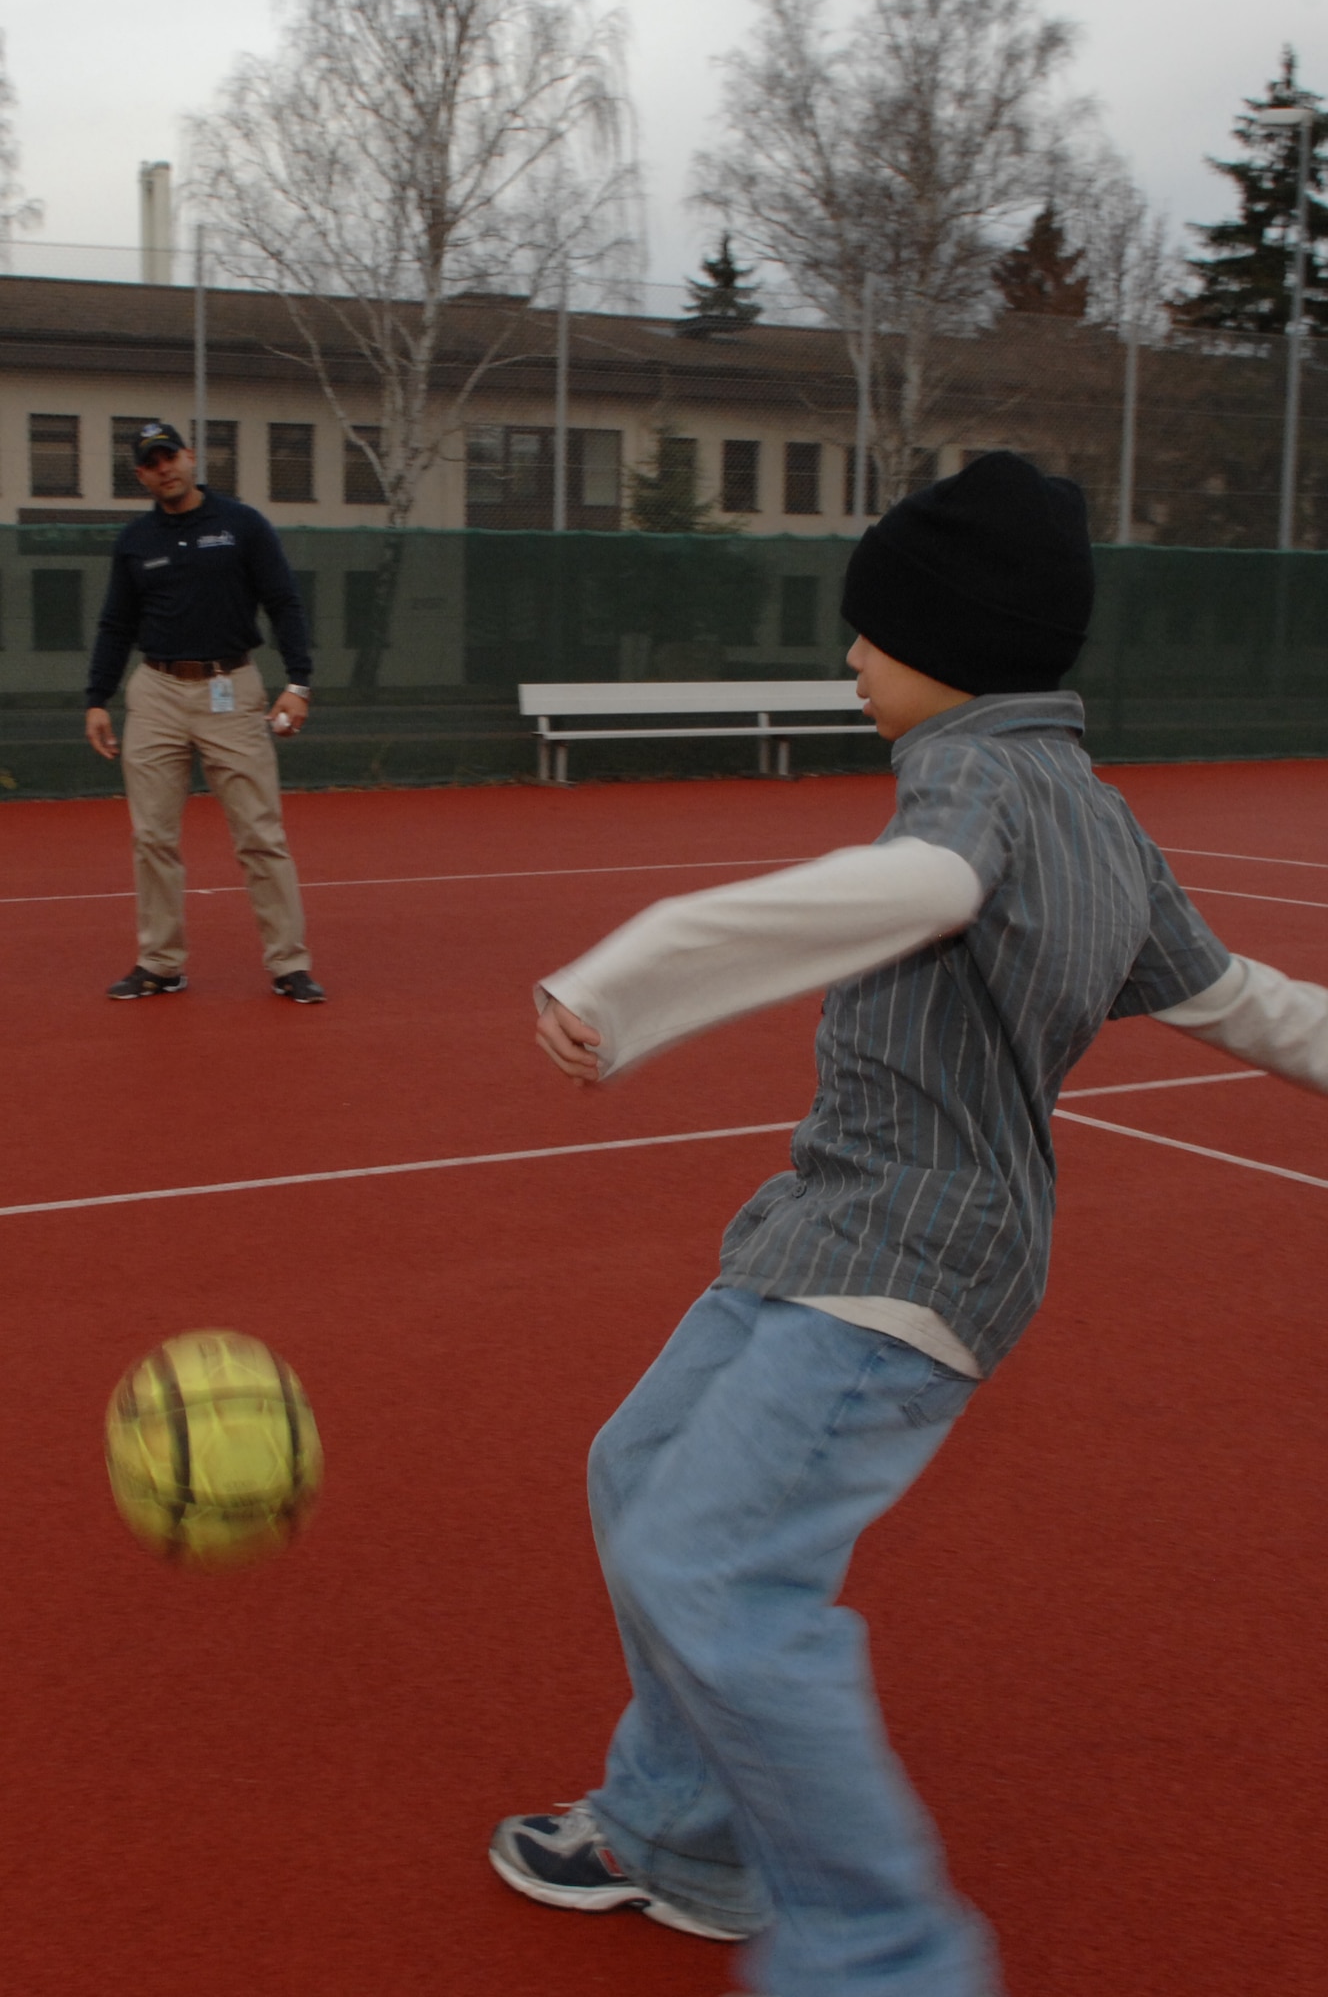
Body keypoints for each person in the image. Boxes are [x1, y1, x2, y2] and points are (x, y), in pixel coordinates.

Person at [488, 452, 1328, 1997]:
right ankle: (681, 1831)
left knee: (717, 1572)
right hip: (825, 1227)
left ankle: (883, 1960)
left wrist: (631, 982)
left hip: (907, 1260)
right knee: (645, 1471)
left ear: (948, 646)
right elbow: (1251, 1005)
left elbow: (919, 887)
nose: (850, 658)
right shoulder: (1102, 817)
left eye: (869, 633)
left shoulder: (975, 787)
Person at [85, 419, 325, 1003]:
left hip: (230, 688)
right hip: (157, 693)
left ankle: (289, 964)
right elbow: (117, 624)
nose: (163, 468)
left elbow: (283, 602)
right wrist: (97, 699)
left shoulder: (241, 525)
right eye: (150, 462)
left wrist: (299, 683)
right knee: (153, 838)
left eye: (170, 456)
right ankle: (161, 963)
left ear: (190, 457)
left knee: (260, 834)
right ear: (140, 474)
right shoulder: (136, 540)